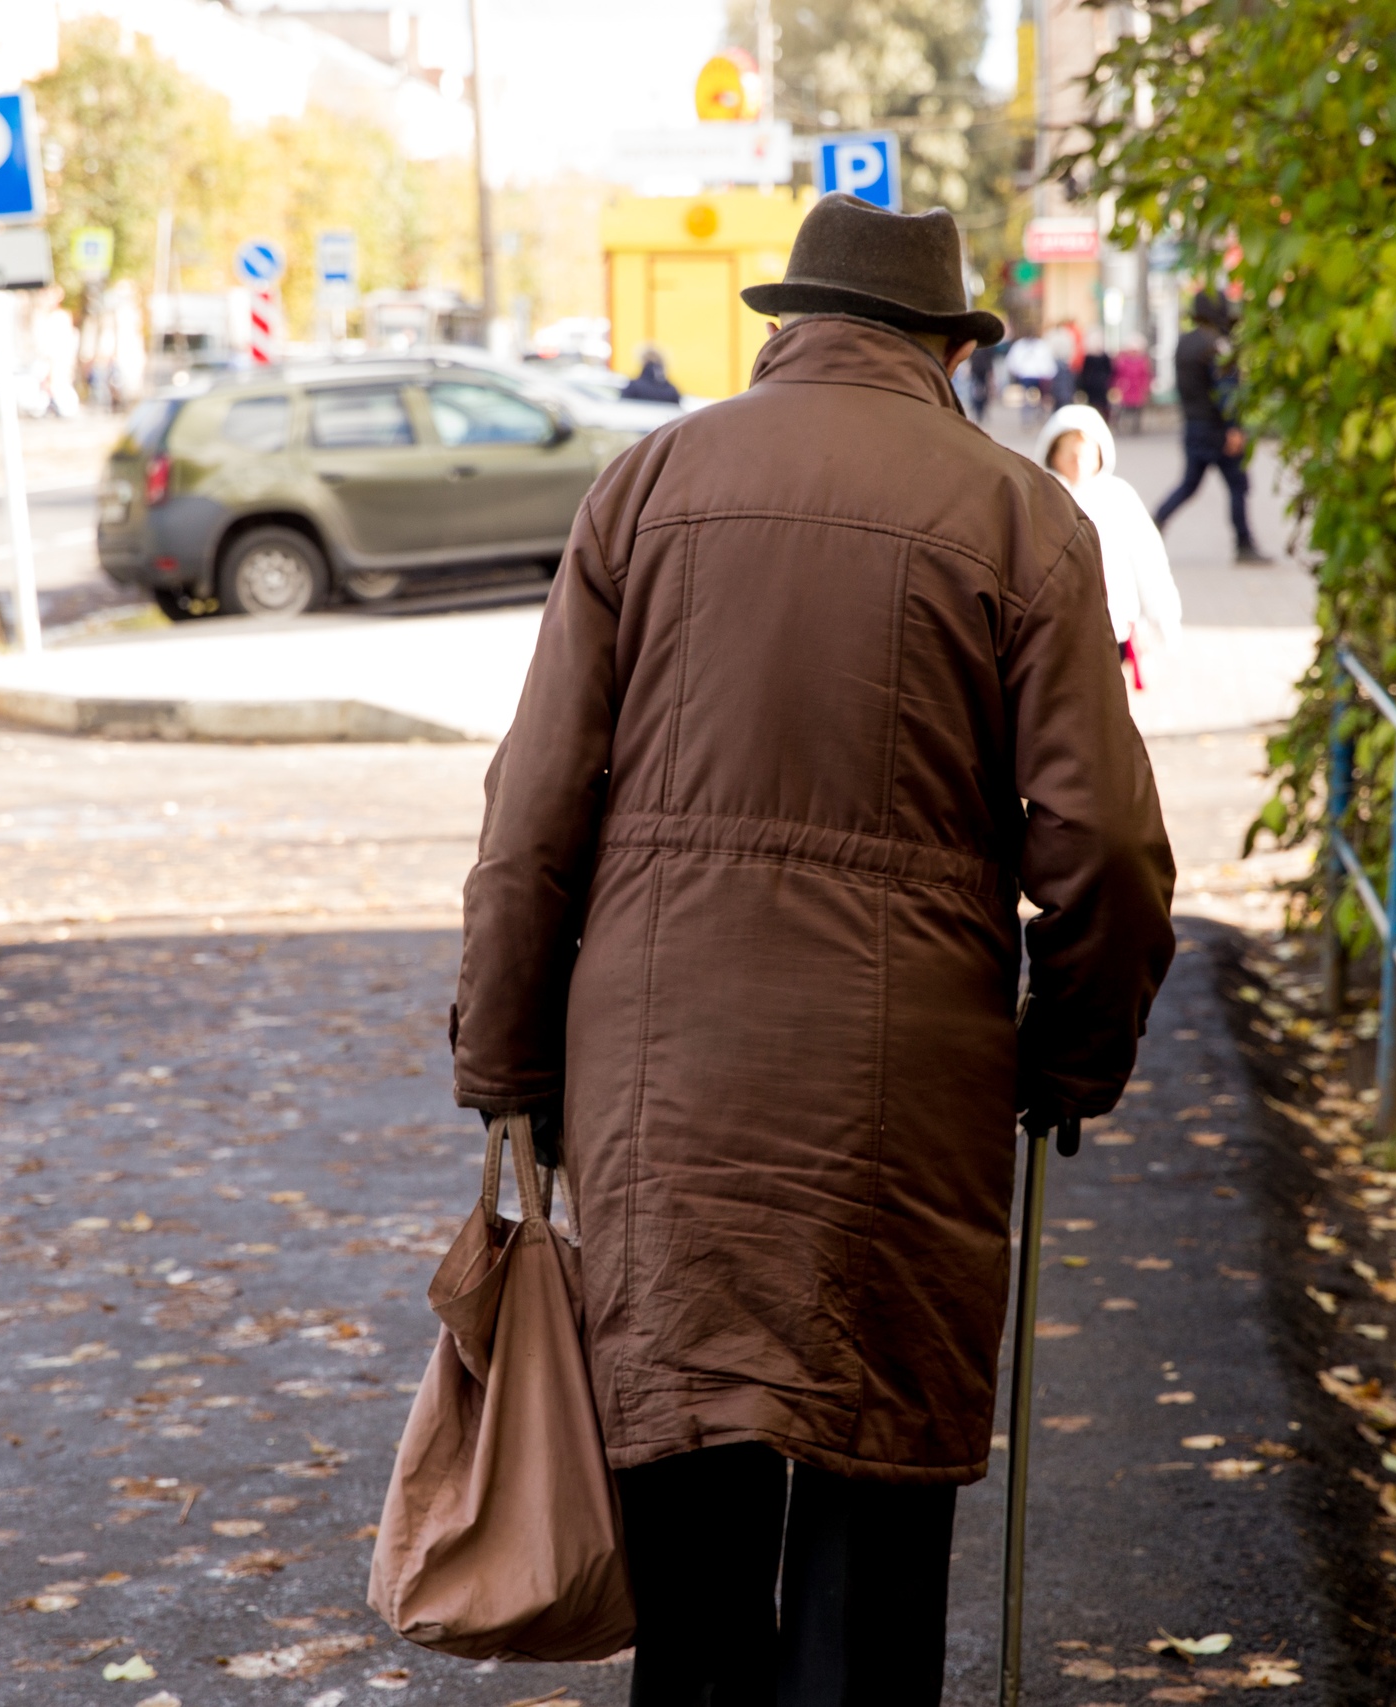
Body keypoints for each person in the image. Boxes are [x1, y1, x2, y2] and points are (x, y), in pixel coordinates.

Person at [451, 193, 1178, 1707]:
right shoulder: (1016, 514)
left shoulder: (643, 486)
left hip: (660, 1082)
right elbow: (1100, 842)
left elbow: (529, 812)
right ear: (949, 348)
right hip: (905, 1097)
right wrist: (1071, 1052)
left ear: (788, 327)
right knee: (872, 1517)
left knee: (693, 1537)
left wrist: (510, 1053)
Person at [1035, 402, 1180, 688]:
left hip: (1111, 627)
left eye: (1085, 450)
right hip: (1053, 632)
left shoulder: (1118, 497)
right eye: (1069, 451)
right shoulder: (1039, 498)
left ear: (1100, 453)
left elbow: (1148, 559)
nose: (1078, 459)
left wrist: (1165, 619)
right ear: (1052, 453)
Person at [1151, 290, 1270, 565]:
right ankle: (1244, 544)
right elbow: (1226, 390)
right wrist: (1234, 427)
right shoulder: (1215, 345)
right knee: (1238, 486)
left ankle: (1155, 521)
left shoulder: (1184, 344)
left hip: (1194, 426)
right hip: (1217, 430)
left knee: (1189, 484)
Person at [1001, 328, 1057, 418]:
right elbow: (1012, 361)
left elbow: (1047, 361)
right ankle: (1028, 414)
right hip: (1027, 375)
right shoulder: (1021, 345)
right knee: (1027, 396)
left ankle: (1037, 413)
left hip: (1039, 375)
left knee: (1040, 397)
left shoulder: (1040, 345)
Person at [1075, 342, 1117, 426]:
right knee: (1093, 406)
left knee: (1102, 406)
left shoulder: (1104, 358)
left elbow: (1110, 372)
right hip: (1092, 387)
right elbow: (1084, 373)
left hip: (1101, 386)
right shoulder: (1089, 358)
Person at [1115, 343, 1155, 431]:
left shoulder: (1143, 362)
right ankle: (1122, 425)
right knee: (1125, 408)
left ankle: (1135, 426)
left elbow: (1146, 375)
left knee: (1138, 409)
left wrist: (1146, 387)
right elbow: (1118, 374)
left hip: (1137, 388)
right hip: (1127, 387)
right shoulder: (1123, 361)